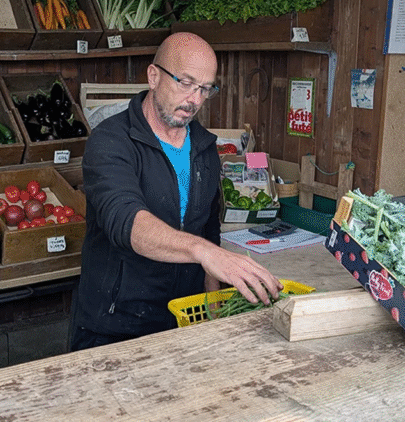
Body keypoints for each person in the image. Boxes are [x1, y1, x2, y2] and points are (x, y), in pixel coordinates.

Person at [70, 32, 283, 351]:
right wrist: (206, 253)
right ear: (154, 76)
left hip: (183, 320)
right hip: (114, 325)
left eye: (205, 88)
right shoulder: (111, 141)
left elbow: (208, 228)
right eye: (185, 82)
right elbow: (127, 223)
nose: (195, 99)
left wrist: (212, 294)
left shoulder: (205, 148)